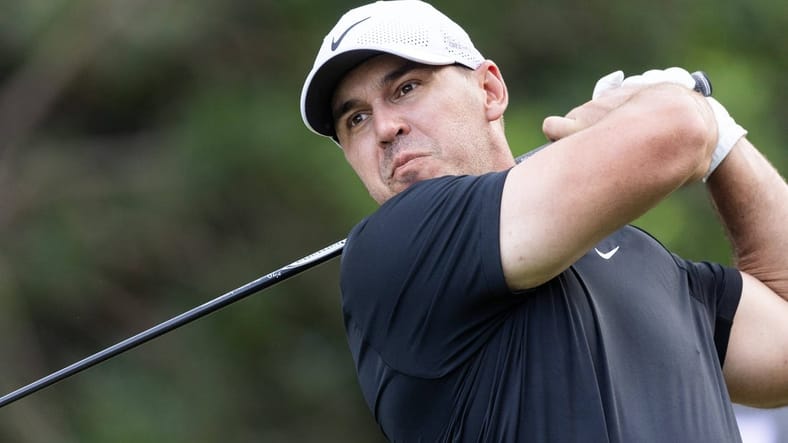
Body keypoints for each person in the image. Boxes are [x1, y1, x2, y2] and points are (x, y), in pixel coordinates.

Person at [299, 1, 788, 441]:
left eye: (406, 88)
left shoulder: (641, 256)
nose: (385, 128)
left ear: (489, 89)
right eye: (356, 120)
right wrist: (678, 109)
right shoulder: (394, 250)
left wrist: (724, 139)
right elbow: (678, 132)